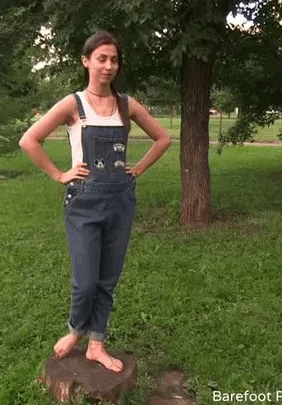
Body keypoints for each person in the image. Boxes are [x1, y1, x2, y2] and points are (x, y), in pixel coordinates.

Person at [18, 31, 171, 372]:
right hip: (83, 203)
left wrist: (138, 170)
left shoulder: (126, 105)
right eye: (101, 58)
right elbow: (29, 140)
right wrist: (60, 175)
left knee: (107, 279)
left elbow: (162, 139)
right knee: (85, 280)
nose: (108, 65)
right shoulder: (73, 104)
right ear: (86, 61)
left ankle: (96, 344)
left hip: (120, 202)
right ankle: (75, 330)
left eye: (114, 59)